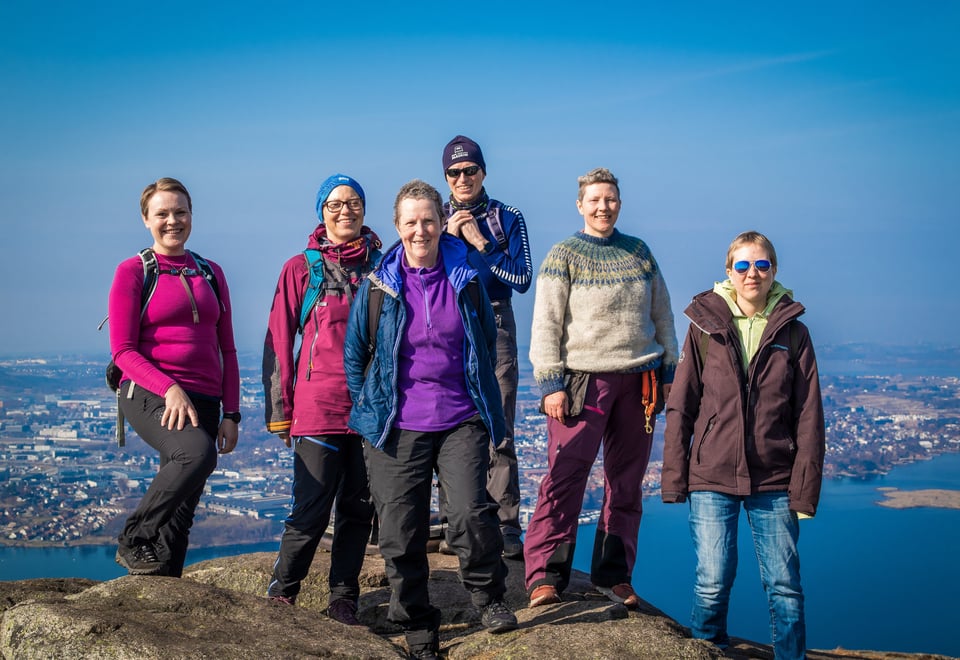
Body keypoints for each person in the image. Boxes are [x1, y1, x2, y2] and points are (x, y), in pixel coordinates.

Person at [344, 180, 518, 659]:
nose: (420, 230)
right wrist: (371, 405)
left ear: (442, 221)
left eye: (428, 220)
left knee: (468, 513)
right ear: (397, 227)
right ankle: (418, 627)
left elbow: (483, 338)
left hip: (460, 417)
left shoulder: (465, 276)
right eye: (410, 222)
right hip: (396, 424)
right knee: (400, 532)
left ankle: (490, 597)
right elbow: (355, 354)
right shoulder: (379, 285)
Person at [661, 231, 825, 659]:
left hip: (774, 475)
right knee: (712, 580)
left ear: (774, 271)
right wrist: (675, 479)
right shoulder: (703, 329)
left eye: (762, 265)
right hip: (712, 473)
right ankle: (707, 651)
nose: (752, 273)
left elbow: (809, 417)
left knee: (784, 585)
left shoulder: (795, 333)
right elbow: (681, 405)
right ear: (728, 272)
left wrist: (804, 491)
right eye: (743, 265)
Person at [524, 167, 678, 609]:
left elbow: (663, 314)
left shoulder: (640, 252)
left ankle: (614, 577)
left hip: (640, 380)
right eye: (594, 200)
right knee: (563, 478)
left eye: (609, 199)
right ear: (580, 205)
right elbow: (546, 325)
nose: (602, 207)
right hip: (581, 382)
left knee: (626, 483)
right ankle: (544, 577)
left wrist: (670, 370)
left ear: (619, 203)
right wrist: (551, 382)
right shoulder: (563, 255)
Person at [262, 174, 382, 626]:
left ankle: (343, 598)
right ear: (321, 212)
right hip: (318, 405)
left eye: (353, 203)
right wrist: (279, 412)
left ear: (365, 210)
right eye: (334, 204)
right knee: (310, 506)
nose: (344, 211)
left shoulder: (383, 266)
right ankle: (283, 592)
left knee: (357, 509)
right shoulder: (302, 268)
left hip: (371, 409)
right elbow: (278, 340)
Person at [109, 177, 240, 578]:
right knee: (196, 454)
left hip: (204, 398)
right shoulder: (133, 271)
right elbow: (123, 352)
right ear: (146, 220)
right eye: (162, 213)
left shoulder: (210, 272)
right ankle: (134, 536)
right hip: (150, 390)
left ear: (191, 216)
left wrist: (231, 414)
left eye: (180, 212)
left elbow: (228, 349)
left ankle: (161, 590)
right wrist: (169, 388)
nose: (172, 221)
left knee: (181, 513)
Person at [440, 135, 533, 559]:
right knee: (449, 425)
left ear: (483, 173)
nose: (463, 179)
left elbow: (521, 279)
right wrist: (444, 236)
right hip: (447, 324)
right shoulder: (433, 217)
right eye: (455, 173)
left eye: (470, 171)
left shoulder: (507, 217)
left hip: (495, 318)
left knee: (500, 423)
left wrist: (481, 243)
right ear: (446, 177)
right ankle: (457, 521)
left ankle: (506, 523)